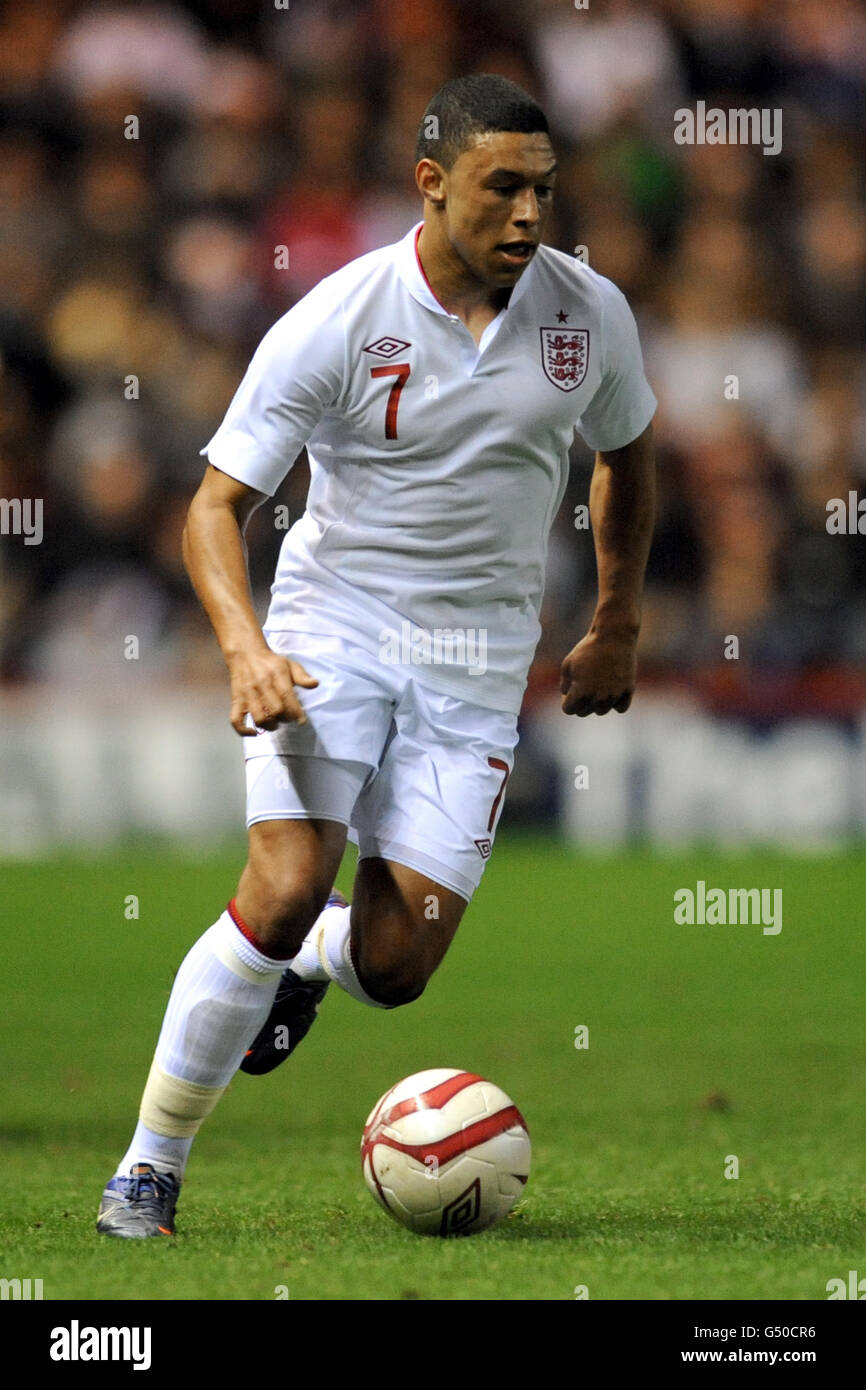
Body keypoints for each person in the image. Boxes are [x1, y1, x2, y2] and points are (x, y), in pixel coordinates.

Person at [97, 74, 656, 1237]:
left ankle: (310, 969)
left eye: (543, 190)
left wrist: (616, 621)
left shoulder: (585, 313)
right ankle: (148, 1169)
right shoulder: (337, 318)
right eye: (501, 186)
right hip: (332, 633)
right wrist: (246, 648)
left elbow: (626, 459)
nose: (526, 214)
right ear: (431, 181)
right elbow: (212, 506)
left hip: (478, 666)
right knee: (286, 883)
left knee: (396, 966)